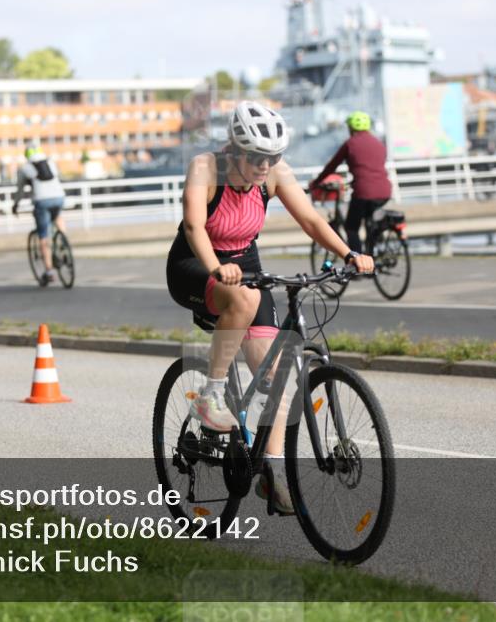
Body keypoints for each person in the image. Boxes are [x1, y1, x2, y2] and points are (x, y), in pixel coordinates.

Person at [166, 101, 374, 514]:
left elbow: (312, 221)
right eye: (257, 157)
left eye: (273, 157)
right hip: (195, 262)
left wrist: (350, 253)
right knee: (243, 297)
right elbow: (193, 226)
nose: (266, 166)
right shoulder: (206, 169)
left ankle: (272, 473)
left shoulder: (275, 175)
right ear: (235, 149)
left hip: (245, 263)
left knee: (280, 376)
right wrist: (215, 269)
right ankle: (210, 395)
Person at [310, 111, 392, 253]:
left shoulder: (350, 144)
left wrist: (317, 182)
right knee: (369, 221)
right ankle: (374, 252)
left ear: (351, 128)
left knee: (351, 227)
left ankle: (358, 263)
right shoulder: (379, 143)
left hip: (363, 192)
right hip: (385, 191)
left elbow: (332, 166)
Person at [13, 147, 66, 285]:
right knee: (58, 216)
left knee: (43, 236)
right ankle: (63, 242)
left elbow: (19, 190)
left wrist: (16, 204)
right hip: (59, 196)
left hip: (41, 200)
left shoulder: (25, 168)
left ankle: (49, 271)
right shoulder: (50, 163)